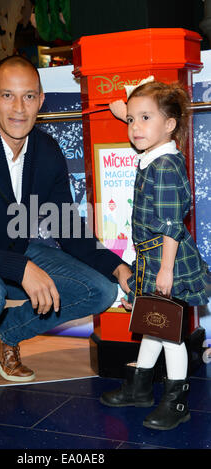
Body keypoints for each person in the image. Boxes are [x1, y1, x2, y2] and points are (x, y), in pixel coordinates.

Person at [0, 55, 132, 403]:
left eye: (29, 96)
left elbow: (66, 225)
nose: (19, 108)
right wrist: (21, 268)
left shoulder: (46, 151)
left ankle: (6, 336)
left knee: (102, 290)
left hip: (11, 252)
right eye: (7, 96)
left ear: (41, 100)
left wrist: (116, 266)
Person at [100, 80, 209, 430]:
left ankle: (177, 403)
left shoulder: (163, 166)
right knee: (153, 322)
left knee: (170, 333)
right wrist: (126, 111)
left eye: (144, 118)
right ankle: (141, 387)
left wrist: (165, 271)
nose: (135, 128)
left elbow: (170, 225)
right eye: (131, 120)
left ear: (171, 125)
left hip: (167, 259)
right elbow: (141, 120)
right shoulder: (157, 154)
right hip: (154, 257)